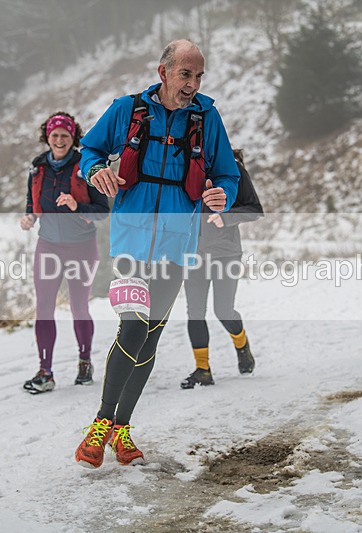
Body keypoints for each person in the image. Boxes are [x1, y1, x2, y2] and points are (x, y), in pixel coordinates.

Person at [74, 39, 240, 468]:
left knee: (149, 339)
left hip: (176, 246)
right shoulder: (128, 110)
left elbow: (227, 172)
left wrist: (225, 193)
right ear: (163, 71)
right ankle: (100, 426)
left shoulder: (206, 117)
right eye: (186, 74)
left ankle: (123, 430)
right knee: (132, 329)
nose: (193, 83)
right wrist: (95, 170)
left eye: (199, 75)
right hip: (130, 242)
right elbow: (88, 150)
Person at [19, 112, 109, 394]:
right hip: (47, 245)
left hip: (81, 247)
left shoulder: (86, 166)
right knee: (44, 309)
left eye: (65, 136)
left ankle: (85, 362)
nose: (59, 140)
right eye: (54, 134)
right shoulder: (37, 169)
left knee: (78, 307)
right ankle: (45, 372)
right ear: (47, 136)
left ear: (74, 138)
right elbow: (31, 205)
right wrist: (28, 218)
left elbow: (103, 211)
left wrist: (76, 206)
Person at [180, 148, 263, 389]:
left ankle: (242, 345)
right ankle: (203, 369)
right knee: (195, 311)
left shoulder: (232, 167)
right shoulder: (181, 166)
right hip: (192, 254)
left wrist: (225, 217)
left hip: (226, 253)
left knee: (223, 309)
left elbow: (255, 209)